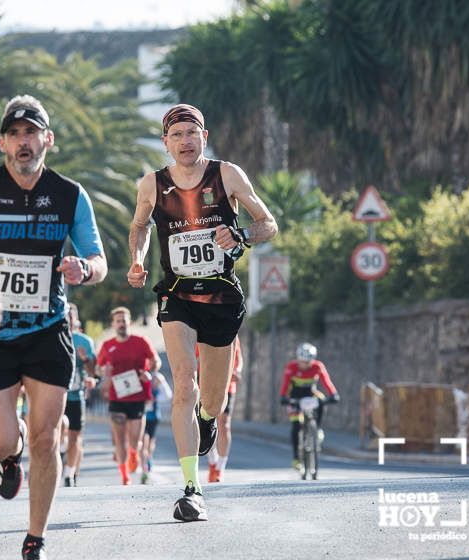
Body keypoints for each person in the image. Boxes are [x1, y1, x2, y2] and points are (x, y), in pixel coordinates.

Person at [0, 94, 107, 560]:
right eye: (15, 134)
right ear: (3, 142)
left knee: (48, 436)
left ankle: (35, 537)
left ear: (48, 140)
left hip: (49, 330)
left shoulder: (69, 195)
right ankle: (8, 454)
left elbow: (99, 260)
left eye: (32, 132)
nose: (24, 142)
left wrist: (86, 269)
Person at [127, 103, 278, 521]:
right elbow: (140, 226)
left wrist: (242, 234)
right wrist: (137, 260)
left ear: (203, 137)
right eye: (176, 135)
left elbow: (268, 223)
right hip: (176, 296)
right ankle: (192, 489)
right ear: (165, 143)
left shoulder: (226, 174)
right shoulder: (152, 185)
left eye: (192, 133)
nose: (185, 141)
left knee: (211, 398)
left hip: (222, 298)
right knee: (183, 385)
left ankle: (208, 418)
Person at [97, 306, 161, 486]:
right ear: (113, 324)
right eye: (118, 321)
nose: (121, 324)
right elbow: (97, 367)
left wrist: (151, 373)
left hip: (138, 397)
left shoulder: (141, 342)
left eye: (124, 320)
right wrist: (104, 372)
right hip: (116, 398)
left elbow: (156, 361)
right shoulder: (107, 346)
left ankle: (134, 453)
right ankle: (125, 477)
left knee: (135, 439)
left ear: (129, 322)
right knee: (119, 439)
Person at [280, 342, 340, 471]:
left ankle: (317, 429)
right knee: (296, 426)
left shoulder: (318, 366)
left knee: (322, 400)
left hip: (310, 394)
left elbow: (327, 382)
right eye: (303, 362)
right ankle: (296, 459)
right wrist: (283, 397)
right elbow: (285, 385)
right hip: (294, 397)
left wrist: (333, 394)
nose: (305, 365)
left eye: (308, 362)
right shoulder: (292, 367)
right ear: (298, 359)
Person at [62, 302, 96, 487]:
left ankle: (69, 474)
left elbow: (93, 371)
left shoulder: (84, 341)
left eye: (70, 317)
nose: (67, 320)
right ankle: (63, 454)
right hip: (56, 395)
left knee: (75, 437)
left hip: (76, 396)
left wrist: (85, 359)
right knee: (59, 431)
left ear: (75, 319)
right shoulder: (52, 338)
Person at [206, 335, 242, 483]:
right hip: (207, 386)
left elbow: (239, 358)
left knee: (224, 424)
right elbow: (196, 358)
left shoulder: (231, 329)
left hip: (227, 386)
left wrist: (237, 371)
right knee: (206, 425)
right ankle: (212, 462)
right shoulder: (200, 328)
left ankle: (220, 468)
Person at [140, 369, 172, 484]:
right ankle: (144, 467)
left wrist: (161, 382)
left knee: (150, 442)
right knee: (144, 441)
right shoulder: (139, 376)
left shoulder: (156, 378)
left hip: (153, 417)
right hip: (142, 416)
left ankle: (149, 459)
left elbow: (168, 395)